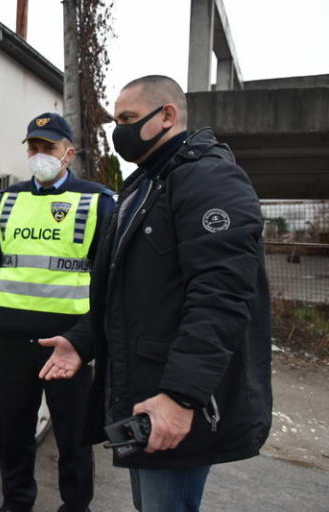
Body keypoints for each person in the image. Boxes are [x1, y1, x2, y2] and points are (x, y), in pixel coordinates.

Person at [87, 75, 272, 512]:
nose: (119, 132)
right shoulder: (145, 184)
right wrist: (81, 341)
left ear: (167, 115)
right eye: (117, 121)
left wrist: (180, 396)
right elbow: (124, 291)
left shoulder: (209, 179)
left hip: (172, 398)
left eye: (128, 118)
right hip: (145, 392)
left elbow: (221, 297)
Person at [0, 112, 116, 512]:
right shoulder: (10, 199)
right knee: (14, 433)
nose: (39, 154)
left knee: (74, 437)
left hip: (67, 342)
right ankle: (15, 503)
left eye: (48, 147)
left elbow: (108, 279)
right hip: (11, 338)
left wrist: (88, 338)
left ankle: (76, 506)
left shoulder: (96, 200)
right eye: (33, 147)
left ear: (68, 153)